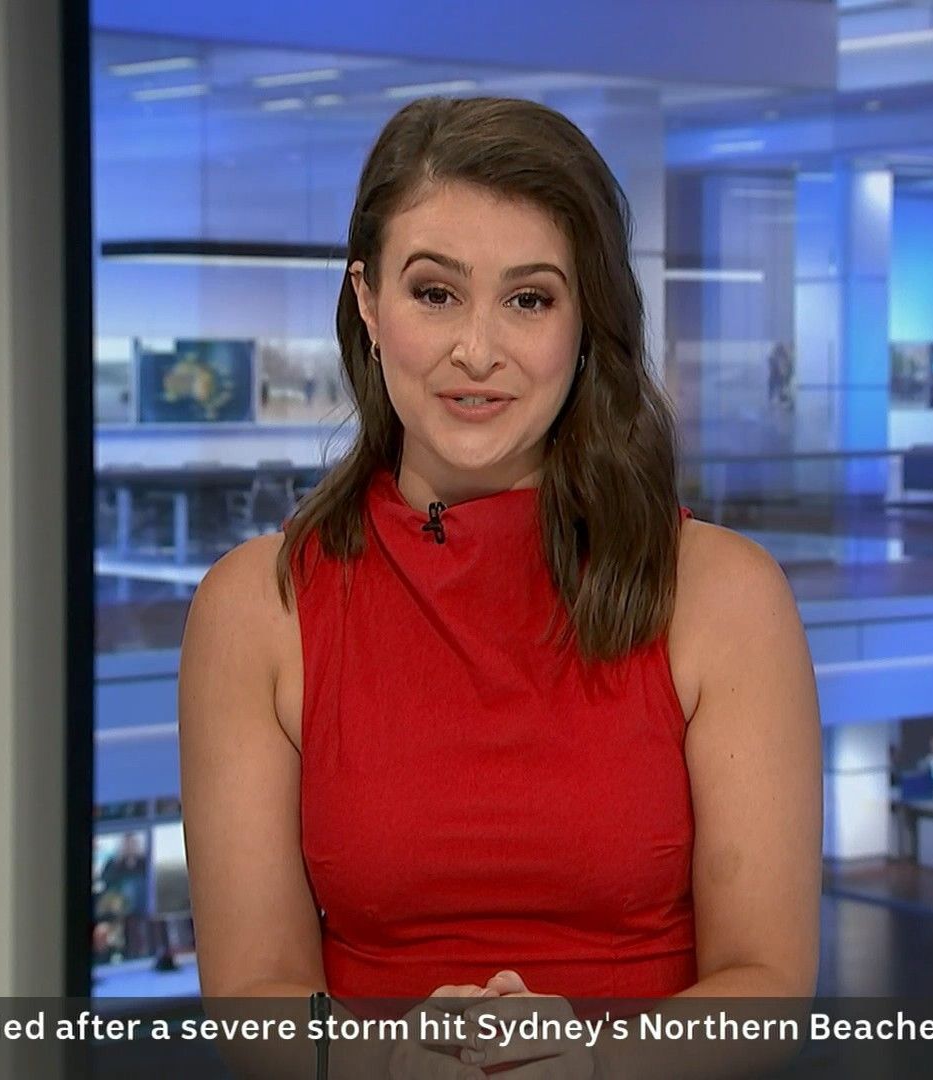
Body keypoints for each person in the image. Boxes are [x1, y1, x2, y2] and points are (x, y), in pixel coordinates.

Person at [178, 97, 820, 1077]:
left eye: (529, 300)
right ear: (367, 300)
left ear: (586, 318)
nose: (477, 351)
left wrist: (593, 1066)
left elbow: (766, 986)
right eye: (435, 292)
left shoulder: (724, 595)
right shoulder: (255, 610)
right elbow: (253, 993)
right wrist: (388, 1066)